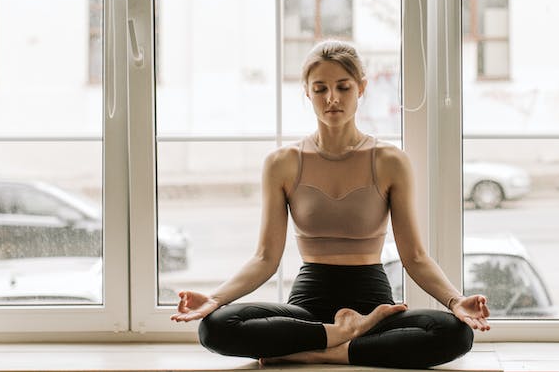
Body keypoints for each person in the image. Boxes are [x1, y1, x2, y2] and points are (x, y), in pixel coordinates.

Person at [171, 40, 490, 368]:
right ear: (307, 92)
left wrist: (455, 300)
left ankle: (328, 349)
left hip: (373, 308)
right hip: (308, 310)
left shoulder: (390, 161)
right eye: (320, 88)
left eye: (343, 87)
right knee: (215, 327)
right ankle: (337, 337)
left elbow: (416, 257)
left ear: (361, 88)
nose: (332, 98)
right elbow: (265, 258)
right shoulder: (282, 163)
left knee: (455, 332)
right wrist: (214, 299)